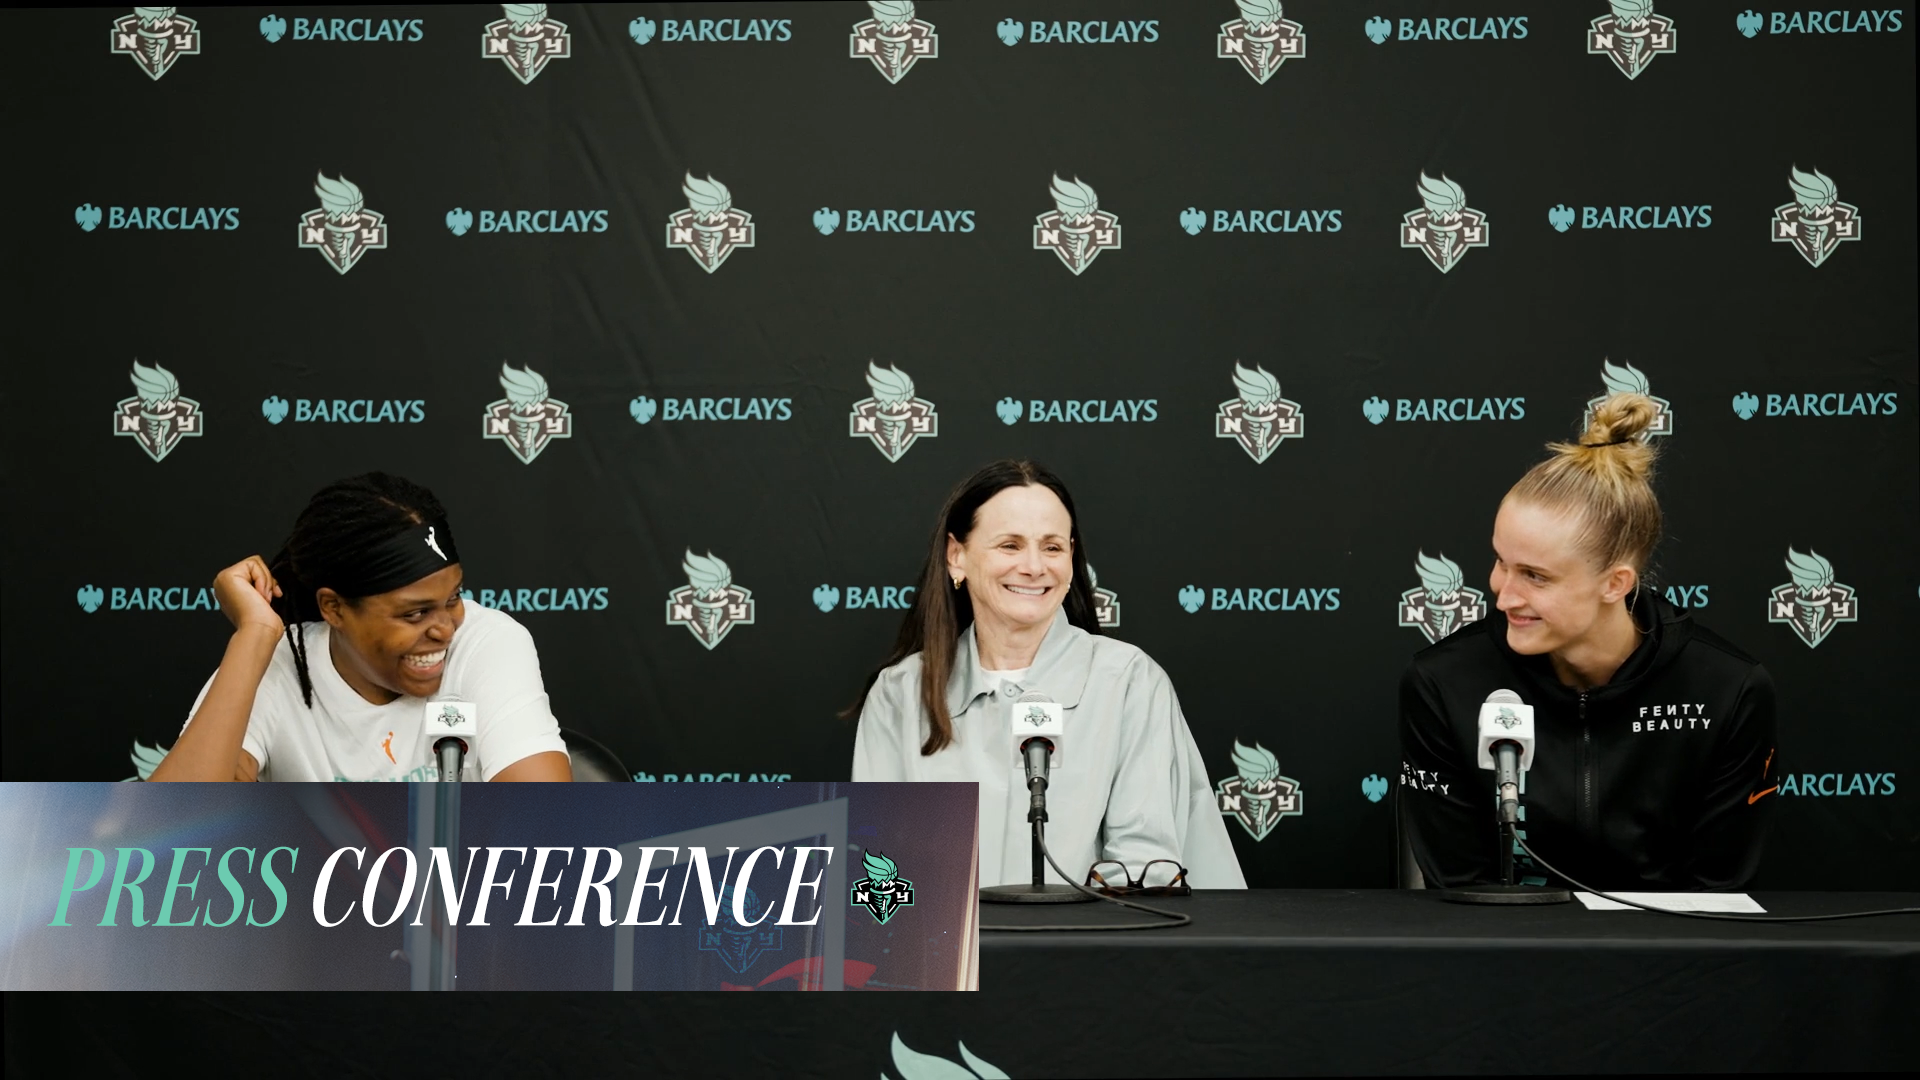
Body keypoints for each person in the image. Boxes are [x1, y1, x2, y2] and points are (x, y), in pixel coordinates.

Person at [1399, 393, 1777, 890]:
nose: (1503, 595)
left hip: (1671, 940)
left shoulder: (1728, 690)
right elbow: (1462, 888)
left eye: (1535, 576)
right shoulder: (1443, 682)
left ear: (1615, 584)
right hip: (1504, 939)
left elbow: (1718, 895)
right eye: (1500, 562)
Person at [849, 460, 1245, 889]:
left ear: (1071, 558)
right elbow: (883, 875)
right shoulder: (900, 693)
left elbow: (1143, 869)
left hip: (1089, 935)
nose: (1034, 566)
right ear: (956, 556)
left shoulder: (1129, 681)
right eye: (1010, 545)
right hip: (945, 937)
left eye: (1052, 547)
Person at [150, 473, 572, 782]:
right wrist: (254, 633)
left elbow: (546, 830)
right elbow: (170, 834)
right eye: (414, 614)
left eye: (453, 598)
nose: (445, 629)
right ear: (333, 608)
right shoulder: (278, 664)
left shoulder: (487, 643)